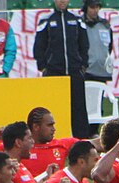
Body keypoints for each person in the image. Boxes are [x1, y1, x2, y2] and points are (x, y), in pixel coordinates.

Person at [34, 0, 91, 139]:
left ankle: (81, 142)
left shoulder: (77, 20)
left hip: (75, 71)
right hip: (53, 72)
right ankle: (52, 139)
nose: (62, 2)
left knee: (79, 109)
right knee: (52, 108)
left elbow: (84, 44)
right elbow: (39, 46)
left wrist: (83, 64)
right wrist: (43, 66)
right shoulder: (46, 20)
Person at [83, 0, 114, 84]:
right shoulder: (80, 24)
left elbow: (109, 46)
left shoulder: (105, 25)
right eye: (92, 7)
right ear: (86, 8)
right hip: (86, 70)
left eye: (97, 7)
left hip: (102, 70)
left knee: (99, 96)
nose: (95, 10)